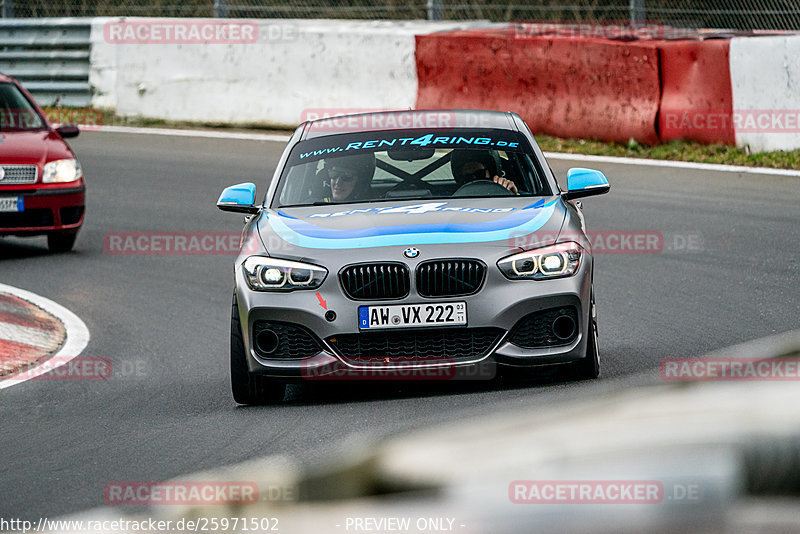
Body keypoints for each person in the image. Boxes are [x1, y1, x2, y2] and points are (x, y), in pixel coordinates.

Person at [450, 149, 518, 194]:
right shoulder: (453, 199)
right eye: (468, 177)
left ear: (490, 171)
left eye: (479, 174)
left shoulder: (503, 187)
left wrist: (511, 192)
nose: (474, 179)